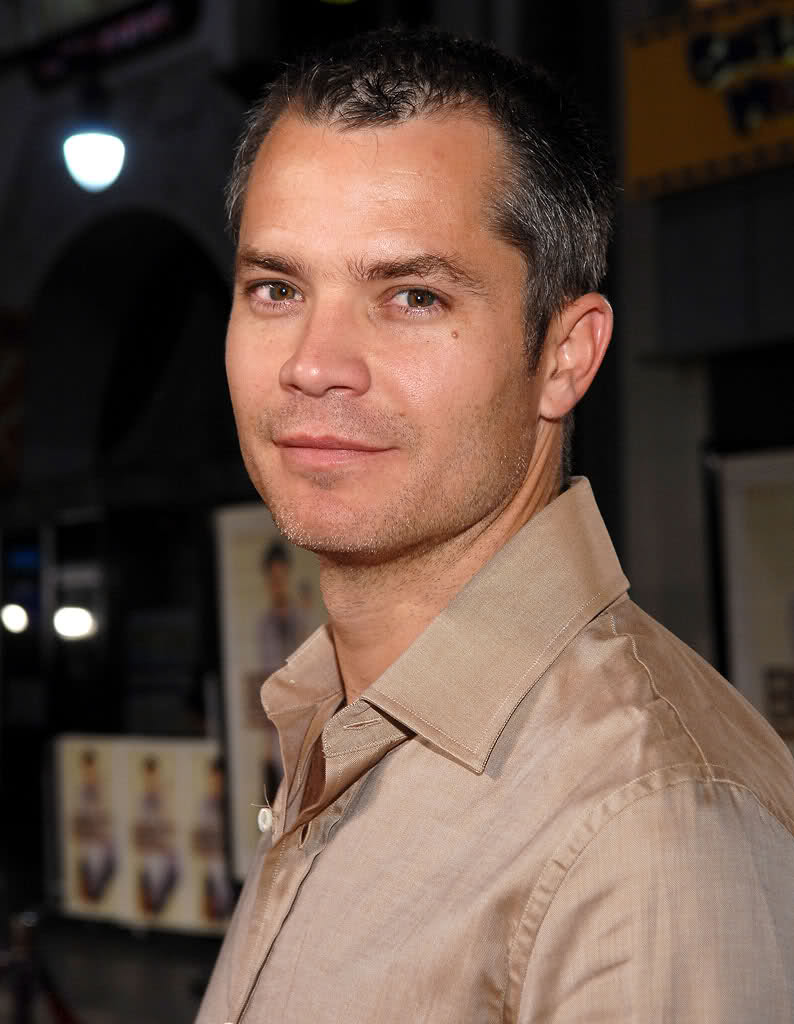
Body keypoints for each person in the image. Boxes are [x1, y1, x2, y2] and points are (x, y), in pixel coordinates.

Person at [197, 26, 794, 1022]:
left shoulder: (644, 827)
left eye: (411, 296)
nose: (313, 363)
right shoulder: (327, 719)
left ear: (564, 356)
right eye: (277, 288)